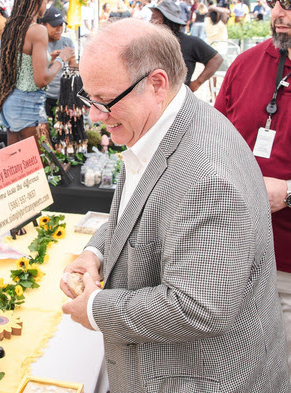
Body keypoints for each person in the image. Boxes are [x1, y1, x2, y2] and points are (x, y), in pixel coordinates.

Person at [61, 18, 291, 392]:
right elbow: (136, 213)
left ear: (156, 84)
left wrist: (94, 309)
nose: (93, 116)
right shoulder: (160, 125)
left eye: (104, 101)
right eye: (90, 99)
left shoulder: (208, 176)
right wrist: (95, 253)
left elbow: (198, 306)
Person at [214, 0, 291, 371]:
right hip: (229, 256)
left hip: (286, 268)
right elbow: (210, 143)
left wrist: (290, 193)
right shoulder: (245, 65)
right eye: (277, 2)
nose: (281, 13)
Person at [0, 0, 74, 146]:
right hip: (27, 105)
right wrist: (62, 60)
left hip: (10, 101)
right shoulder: (38, 30)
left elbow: (21, 63)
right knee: (43, 164)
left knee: (18, 164)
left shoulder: (13, 27)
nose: (46, 4)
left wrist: (48, 58)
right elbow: (42, 80)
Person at [151, 1, 223, 92]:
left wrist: (197, 83)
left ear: (166, 21)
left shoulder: (191, 42)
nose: (151, 21)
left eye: (154, 17)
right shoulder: (152, 43)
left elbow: (216, 59)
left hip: (178, 99)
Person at [38, 6, 78, 118]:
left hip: (64, 97)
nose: (60, 28)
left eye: (61, 24)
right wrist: (55, 59)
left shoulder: (67, 42)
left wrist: (73, 60)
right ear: (43, 25)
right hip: (43, 98)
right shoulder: (38, 44)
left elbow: (74, 71)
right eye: (55, 25)